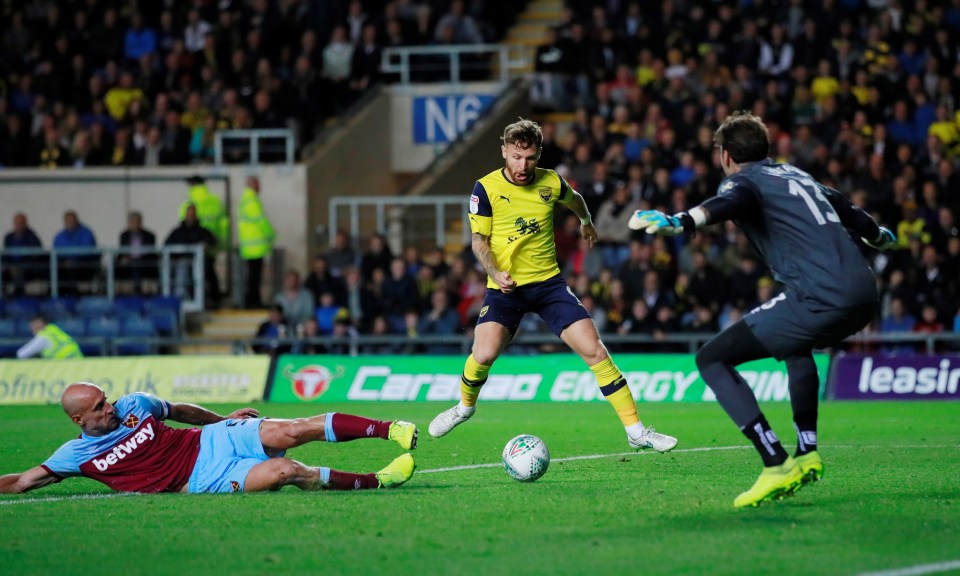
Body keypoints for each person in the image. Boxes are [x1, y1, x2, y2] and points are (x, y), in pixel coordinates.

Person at [629, 112, 898, 508]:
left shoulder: (743, 180)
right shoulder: (798, 176)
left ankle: (776, 462)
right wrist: (879, 237)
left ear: (725, 155)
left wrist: (680, 221)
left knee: (712, 359)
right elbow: (848, 209)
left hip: (820, 295)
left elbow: (727, 202)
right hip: (863, 292)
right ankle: (807, 452)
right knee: (794, 346)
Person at [428, 119, 678, 453]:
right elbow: (478, 242)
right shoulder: (485, 189)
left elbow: (574, 199)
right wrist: (495, 271)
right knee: (484, 353)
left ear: (539, 155)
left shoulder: (550, 182)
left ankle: (636, 431)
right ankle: (464, 407)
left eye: (529, 157)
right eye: (516, 157)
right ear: (504, 152)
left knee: (595, 351)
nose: (522, 165)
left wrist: (586, 222)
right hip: (506, 287)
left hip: (548, 286)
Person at [0, 382, 417, 495]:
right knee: (287, 470)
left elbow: (180, 410)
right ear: (78, 418)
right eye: (97, 408)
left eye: (105, 400)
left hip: (211, 441)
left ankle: (389, 429)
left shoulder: (134, 404)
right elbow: (22, 481)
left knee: (291, 430)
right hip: (202, 481)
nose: (109, 408)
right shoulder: (74, 456)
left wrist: (222, 420)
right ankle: (377, 481)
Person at [238, 176, 275, 308]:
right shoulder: (251, 201)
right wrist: (271, 235)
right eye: (258, 184)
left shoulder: (247, 200)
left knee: (253, 276)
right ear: (253, 185)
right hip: (255, 246)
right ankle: (253, 302)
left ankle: (252, 300)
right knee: (254, 277)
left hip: (250, 246)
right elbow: (261, 221)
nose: (260, 187)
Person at [53, 210, 98, 295]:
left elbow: (87, 250)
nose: (70, 223)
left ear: (77, 220)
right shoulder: (60, 235)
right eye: (68, 221)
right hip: (64, 264)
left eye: (72, 221)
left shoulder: (86, 232)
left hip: (83, 264)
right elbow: (56, 251)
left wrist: (71, 259)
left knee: (71, 270)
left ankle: (73, 297)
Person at [3, 212, 44, 297]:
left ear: (25, 224)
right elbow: (6, 255)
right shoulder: (8, 237)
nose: (19, 225)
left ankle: (17, 296)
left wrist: (21, 265)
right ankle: (4, 296)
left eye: (21, 223)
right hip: (11, 266)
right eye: (17, 223)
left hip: (26, 267)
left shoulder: (32, 237)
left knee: (19, 273)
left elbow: (35, 255)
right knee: (4, 274)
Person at [117, 211, 157, 294]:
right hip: (128, 262)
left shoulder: (149, 235)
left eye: (136, 222)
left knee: (137, 264)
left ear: (140, 222)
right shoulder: (124, 235)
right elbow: (121, 251)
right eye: (132, 222)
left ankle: (137, 292)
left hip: (144, 262)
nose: (134, 224)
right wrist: (123, 258)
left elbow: (151, 252)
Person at [17, 317, 83, 359]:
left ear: (42, 324)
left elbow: (21, 354)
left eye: (33, 325)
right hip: (78, 363)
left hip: (64, 366)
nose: (32, 328)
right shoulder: (54, 330)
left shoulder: (43, 336)